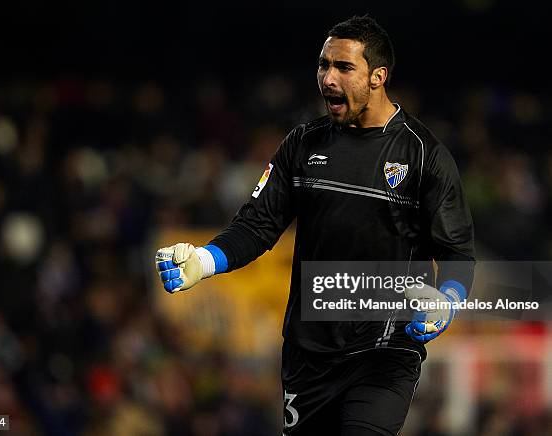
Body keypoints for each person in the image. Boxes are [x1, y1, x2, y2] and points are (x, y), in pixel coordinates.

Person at [155, 15, 475, 436]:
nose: (327, 78)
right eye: (324, 65)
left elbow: (457, 254)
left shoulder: (423, 156)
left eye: (344, 68)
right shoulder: (302, 145)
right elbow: (257, 225)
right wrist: (204, 259)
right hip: (309, 354)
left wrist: (445, 301)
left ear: (378, 76)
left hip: (384, 349)